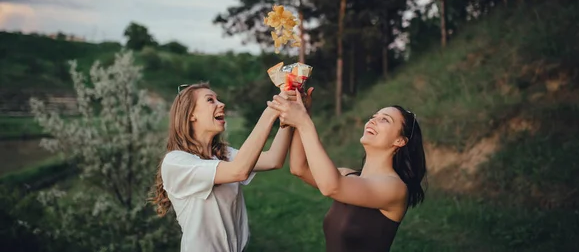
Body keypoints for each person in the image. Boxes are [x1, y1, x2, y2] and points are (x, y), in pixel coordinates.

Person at [268, 89, 427, 252]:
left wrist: (304, 123)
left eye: (384, 120)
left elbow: (331, 186)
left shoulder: (395, 189)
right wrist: (304, 111)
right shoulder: (347, 176)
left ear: (400, 140)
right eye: (373, 117)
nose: (372, 121)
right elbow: (299, 168)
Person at [151, 82, 293, 252]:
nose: (221, 104)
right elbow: (239, 171)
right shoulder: (176, 162)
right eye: (210, 100)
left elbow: (274, 159)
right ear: (191, 115)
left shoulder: (223, 154)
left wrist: (290, 114)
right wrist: (272, 110)